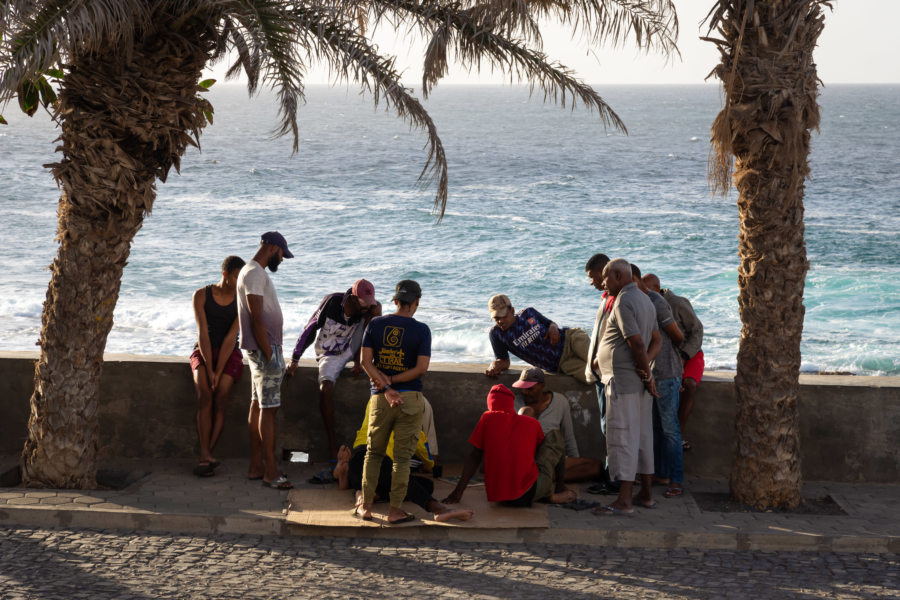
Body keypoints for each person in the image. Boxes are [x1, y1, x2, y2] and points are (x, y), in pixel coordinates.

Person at [358, 280, 431, 525]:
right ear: (416, 302)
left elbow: (365, 363)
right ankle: (395, 510)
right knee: (401, 460)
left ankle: (366, 507)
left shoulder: (376, 324)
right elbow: (421, 368)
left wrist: (386, 386)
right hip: (410, 399)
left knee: (373, 454)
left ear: (396, 301)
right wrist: (395, 381)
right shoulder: (422, 330)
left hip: (380, 398)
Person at [333, 397, 473, 523]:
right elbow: (425, 453)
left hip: (358, 458)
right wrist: (429, 464)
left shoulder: (374, 400)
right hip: (377, 459)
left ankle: (360, 489)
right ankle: (439, 509)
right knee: (400, 477)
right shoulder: (409, 408)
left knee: (423, 484)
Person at [286, 279, 382, 460]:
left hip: (351, 348)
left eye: (369, 302)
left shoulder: (368, 310)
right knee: (326, 388)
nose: (367, 307)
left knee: (377, 313)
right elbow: (310, 328)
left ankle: (362, 360)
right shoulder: (332, 302)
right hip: (329, 352)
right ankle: (332, 444)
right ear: (353, 299)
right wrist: (295, 358)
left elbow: (370, 330)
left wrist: (360, 360)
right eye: (364, 303)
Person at [594, 258, 660, 516]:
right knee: (643, 438)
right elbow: (656, 342)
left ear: (620, 276)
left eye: (607, 278)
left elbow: (637, 344)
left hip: (622, 382)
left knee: (623, 439)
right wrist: (647, 371)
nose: (603, 282)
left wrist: (646, 373)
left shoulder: (623, 301)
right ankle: (645, 494)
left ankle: (624, 501)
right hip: (638, 383)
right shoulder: (646, 299)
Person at [443, 384, 576, 506]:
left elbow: (474, 456)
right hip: (528, 492)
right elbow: (541, 449)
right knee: (555, 436)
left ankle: (544, 492)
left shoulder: (486, 419)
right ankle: (557, 489)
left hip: (499, 497)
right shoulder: (532, 424)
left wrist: (458, 492)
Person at [237, 231, 293, 490]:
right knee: (269, 410)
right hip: (264, 349)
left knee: (257, 406)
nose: (281, 260)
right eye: (282, 254)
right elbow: (256, 317)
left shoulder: (250, 271)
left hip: (260, 349)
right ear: (272, 248)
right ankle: (270, 471)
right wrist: (270, 354)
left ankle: (255, 466)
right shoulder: (256, 273)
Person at [190, 255, 246, 477]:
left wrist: (218, 370)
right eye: (236, 277)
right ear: (225, 274)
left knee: (220, 396)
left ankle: (206, 454)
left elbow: (231, 338)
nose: (240, 281)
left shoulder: (242, 301)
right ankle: (205, 455)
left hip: (228, 353)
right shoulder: (201, 295)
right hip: (203, 350)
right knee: (205, 394)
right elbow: (202, 332)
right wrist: (210, 369)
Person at [632, 266, 685, 499]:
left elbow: (678, 336)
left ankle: (676, 480)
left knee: (670, 429)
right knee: (654, 428)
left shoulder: (656, 301)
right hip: (650, 374)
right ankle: (660, 473)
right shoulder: (635, 301)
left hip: (666, 373)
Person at [642, 273, 704, 452]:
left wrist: (684, 356)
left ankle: (680, 434)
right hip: (667, 357)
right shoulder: (648, 305)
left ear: (656, 289)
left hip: (690, 354)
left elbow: (697, 331)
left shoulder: (678, 303)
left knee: (689, 384)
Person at [513, 368, 604, 482]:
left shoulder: (559, 401)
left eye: (529, 389)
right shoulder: (515, 403)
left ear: (542, 385)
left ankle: (545, 478)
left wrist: (574, 461)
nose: (525, 392)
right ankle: (544, 477)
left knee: (597, 467)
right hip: (528, 458)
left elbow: (568, 437)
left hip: (553, 458)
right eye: (522, 388)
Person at [484, 295, 591, 384]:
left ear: (512, 310)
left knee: (600, 360)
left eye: (503, 316)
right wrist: (495, 366)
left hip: (570, 340)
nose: (500, 321)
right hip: (562, 363)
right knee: (594, 376)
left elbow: (550, 323)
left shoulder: (528, 313)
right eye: (496, 318)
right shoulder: (496, 334)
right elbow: (504, 362)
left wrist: (553, 328)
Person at [583, 253, 620, 495]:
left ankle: (615, 478)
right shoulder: (606, 298)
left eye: (593, 277)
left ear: (603, 272)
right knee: (607, 427)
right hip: (600, 375)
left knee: (613, 428)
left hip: (610, 375)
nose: (592, 282)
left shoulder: (619, 301)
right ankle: (611, 475)